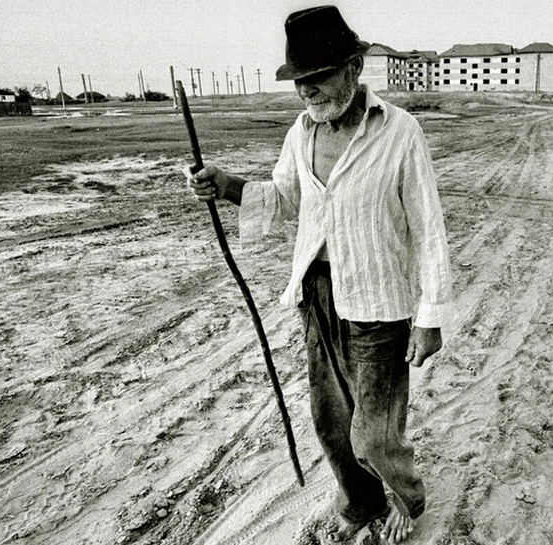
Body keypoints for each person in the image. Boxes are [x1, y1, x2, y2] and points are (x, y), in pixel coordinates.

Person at [183, 5, 452, 543]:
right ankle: (360, 500)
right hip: (319, 294)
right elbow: (285, 198)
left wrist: (431, 317)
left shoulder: (401, 131)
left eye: (319, 78)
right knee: (331, 421)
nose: (308, 92)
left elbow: (428, 228)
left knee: (373, 434)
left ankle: (407, 497)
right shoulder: (301, 133)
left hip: (380, 300)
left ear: (354, 67)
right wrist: (227, 183)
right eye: (300, 81)